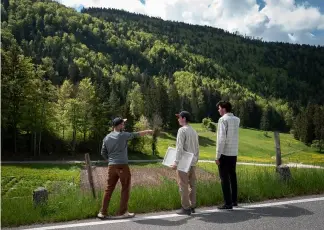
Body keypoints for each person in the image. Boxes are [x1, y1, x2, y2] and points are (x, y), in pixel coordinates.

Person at [97, 117, 153, 219]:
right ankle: (123, 212)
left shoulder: (106, 137)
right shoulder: (123, 135)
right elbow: (137, 134)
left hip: (111, 166)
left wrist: (110, 160)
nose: (124, 125)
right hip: (122, 165)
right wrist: (148, 131)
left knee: (108, 189)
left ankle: (102, 212)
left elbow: (103, 153)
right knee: (125, 188)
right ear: (118, 125)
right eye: (123, 124)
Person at [171, 111, 200, 215]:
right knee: (192, 184)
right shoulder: (194, 131)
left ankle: (185, 208)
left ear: (183, 118)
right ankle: (192, 206)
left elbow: (179, 148)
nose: (178, 119)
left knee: (183, 185)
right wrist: (196, 159)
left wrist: (176, 162)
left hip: (183, 162)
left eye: (179, 117)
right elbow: (197, 147)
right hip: (192, 161)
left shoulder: (182, 130)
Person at [215, 101, 240, 210]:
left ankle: (227, 203)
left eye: (219, 108)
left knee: (224, 178)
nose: (218, 110)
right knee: (233, 177)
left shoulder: (222, 120)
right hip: (233, 153)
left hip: (224, 153)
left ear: (224, 109)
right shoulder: (237, 120)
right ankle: (234, 200)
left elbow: (221, 139)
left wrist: (217, 156)